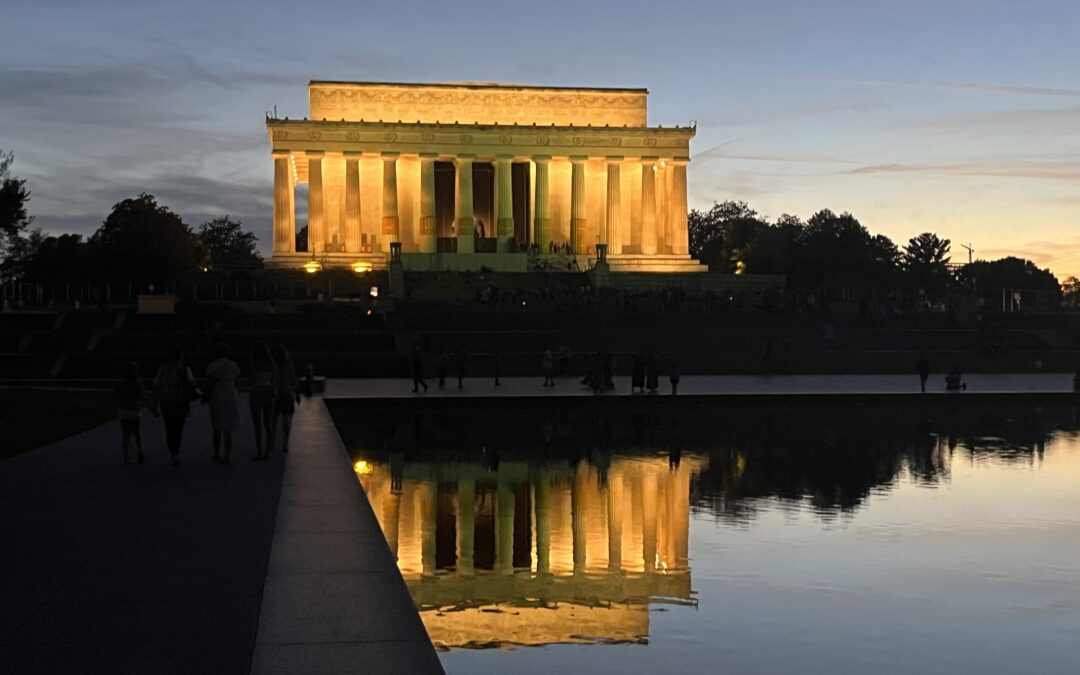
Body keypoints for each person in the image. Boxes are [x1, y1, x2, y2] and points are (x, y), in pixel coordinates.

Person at [153, 345, 198, 466]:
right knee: (178, 427)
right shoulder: (183, 368)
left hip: (166, 401)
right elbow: (191, 383)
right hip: (179, 401)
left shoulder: (163, 368)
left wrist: (156, 402)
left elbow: (156, 384)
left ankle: (172, 451)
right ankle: (175, 451)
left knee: (169, 427)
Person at [205, 343, 241, 465]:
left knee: (216, 428)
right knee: (227, 429)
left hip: (217, 398)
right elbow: (237, 382)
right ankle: (227, 454)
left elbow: (209, 384)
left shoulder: (212, 367)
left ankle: (216, 453)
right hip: (230, 398)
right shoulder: (233, 365)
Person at [116, 361, 152, 465]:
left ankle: (126, 457)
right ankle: (140, 451)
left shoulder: (121, 383)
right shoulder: (137, 383)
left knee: (125, 434)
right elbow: (143, 396)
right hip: (134, 410)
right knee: (137, 432)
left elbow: (116, 396)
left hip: (124, 410)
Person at [249, 342, 277, 461]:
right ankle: (268, 450)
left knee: (257, 424)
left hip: (256, 392)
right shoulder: (272, 363)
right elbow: (275, 378)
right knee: (268, 423)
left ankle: (259, 451)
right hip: (268, 391)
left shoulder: (254, 363)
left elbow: (253, 379)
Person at [272, 344, 300, 454]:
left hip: (276, 394)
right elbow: (293, 379)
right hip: (288, 394)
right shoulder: (289, 365)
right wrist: (297, 392)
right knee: (286, 420)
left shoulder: (273, 366)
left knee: (273, 420)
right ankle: (285, 444)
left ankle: (272, 443)